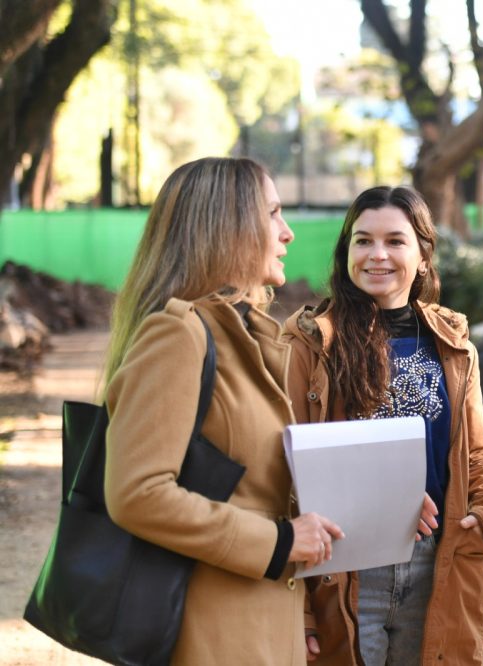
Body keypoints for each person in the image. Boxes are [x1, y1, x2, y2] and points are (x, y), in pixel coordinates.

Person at [102, 157, 344, 665]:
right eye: (273, 213)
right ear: (226, 227)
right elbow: (137, 493)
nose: (288, 232)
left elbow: (260, 486)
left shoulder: (245, 336)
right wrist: (278, 542)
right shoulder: (178, 335)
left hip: (264, 622)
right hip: (212, 630)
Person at [283, 185, 483, 666]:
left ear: (423, 256)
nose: (377, 255)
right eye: (363, 240)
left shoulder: (453, 345)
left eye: (395, 241)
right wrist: (300, 608)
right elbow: (286, 467)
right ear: (346, 251)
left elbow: (476, 451)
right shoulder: (311, 345)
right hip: (343, 571)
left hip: (435, 564)